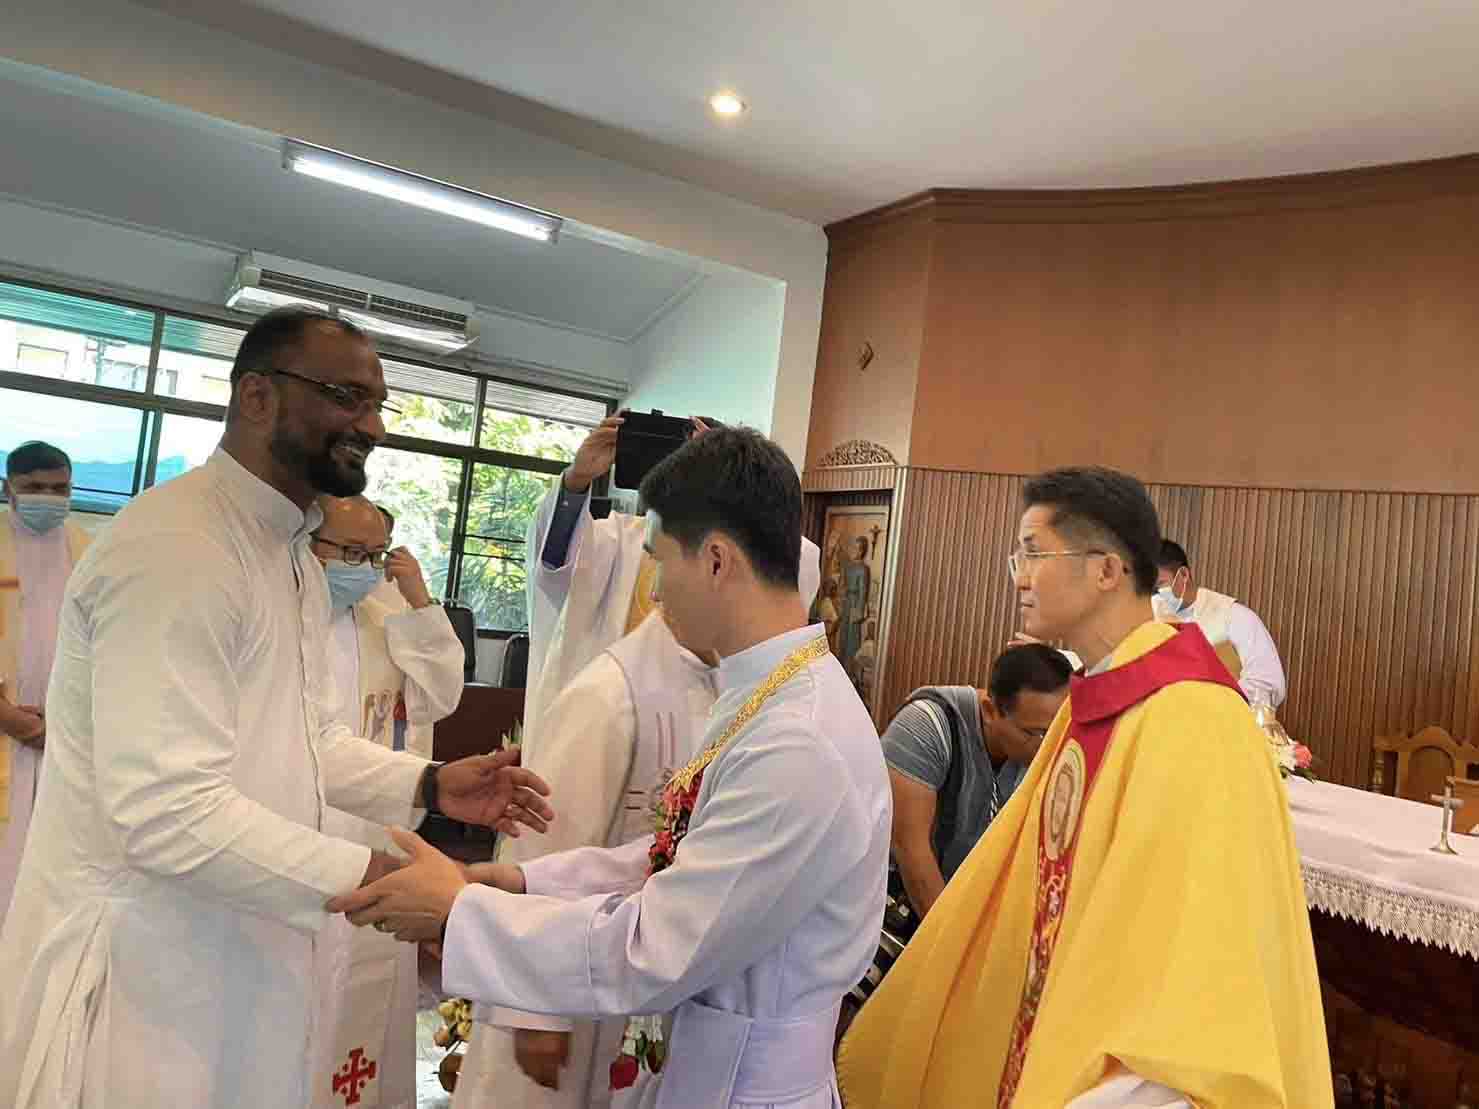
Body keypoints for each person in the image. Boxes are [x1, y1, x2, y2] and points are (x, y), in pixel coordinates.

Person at [0, 307, 553, 1109]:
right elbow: (163, 811)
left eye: (378, 404)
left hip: (241, 946)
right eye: (346, 396)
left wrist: (432, 783)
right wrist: (381, 878)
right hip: (147, 975)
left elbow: (307, 735)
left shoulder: (288, 549)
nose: (372, 426)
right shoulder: (180, 546)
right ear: (257, 398)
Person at [332, 427, 892, 1109]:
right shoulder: (766, 693)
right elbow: (681, 855)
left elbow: (657, 946)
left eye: (660, 563)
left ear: (716, 561)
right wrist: (523, 880)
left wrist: (461, 913)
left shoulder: (796, 738)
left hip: (746, 1086)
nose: (656, 594)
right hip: (706, 1062)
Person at [838, 465, 1330, 1108]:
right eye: (1017, 556)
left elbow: (1194, 969)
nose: (1018, 575)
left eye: (1034, 553)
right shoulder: (1089, 704)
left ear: (1106, 570)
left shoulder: (1195, 719)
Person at [452, 604, 718, 1109]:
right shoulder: (610, 693)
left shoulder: (721, 688)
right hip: (560, 991)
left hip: (631, 978)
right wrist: (533, 1011)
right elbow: (543, 841)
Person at [522, 416, 820, 761]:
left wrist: (735, 485)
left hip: (700, 719)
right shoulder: (618, 539)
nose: (657, 594)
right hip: (618, 726)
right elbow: (555, 566)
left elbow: (788, 565)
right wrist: (576, 482)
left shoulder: (753, 550)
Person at [309, 493, 467, 1109]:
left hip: (372, 825)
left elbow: (442, 694)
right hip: (300, 829)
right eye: (352, 553)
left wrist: (420, 602)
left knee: (366, 993)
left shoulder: (387, 613)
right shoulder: (276, 614)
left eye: (375, 555)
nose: (364, 568)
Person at [884, 642, 1070, 922]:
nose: (1050, 747)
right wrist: (947, 940)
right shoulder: (926, 725)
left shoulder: (1044, 747)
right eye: (1038, 734)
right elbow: (911, 850)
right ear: (990, 711)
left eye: (1058, 732)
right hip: (905, 907)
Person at [0, 441, 91, 926]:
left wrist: (68, 720)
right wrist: (13, 719)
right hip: (6, 729)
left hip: (65, 737)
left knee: (48, 874)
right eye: (34, 487)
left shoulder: (90, 550)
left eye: (59, 489)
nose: (48, 498)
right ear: (7, 488)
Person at [1155, 539, 1287, 707]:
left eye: (1160, 584)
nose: (1156, 595)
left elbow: (1267, 683)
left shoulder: (1234, 616)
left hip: (1224, 718)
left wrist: (1210, 701)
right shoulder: (1150, 623)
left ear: (1183, 575)